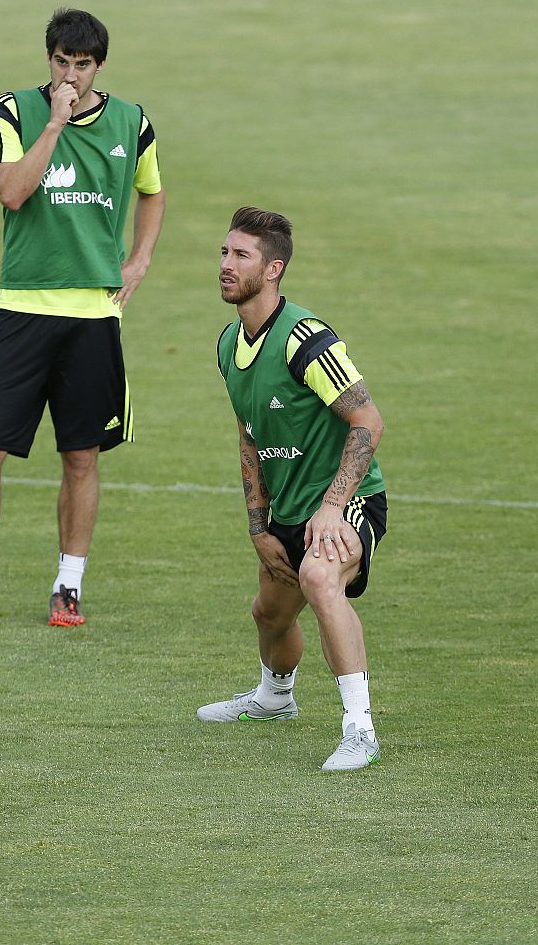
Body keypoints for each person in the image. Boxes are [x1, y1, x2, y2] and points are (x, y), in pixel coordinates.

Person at [0, 7, 164, 631]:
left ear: (100, 66)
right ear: (48, 59)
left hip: (93, 317)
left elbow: (151, 191)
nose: (70, 75)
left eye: (83, 65)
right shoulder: (14, 111)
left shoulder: (133, 122)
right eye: (61, 62)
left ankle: (68, 587)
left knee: (82, 457)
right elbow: (12, 191)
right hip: (22, 309)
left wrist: (140, 259)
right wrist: (54, 124)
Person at [195, 207, 389, 773]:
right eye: (225, 252)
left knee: (320, 578)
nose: (226, 264)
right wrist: (259, 525)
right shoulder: (228, 344)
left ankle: (360, 731)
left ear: (273, 269)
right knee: (269, 614)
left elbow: (368, 421)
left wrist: (332, 509)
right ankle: (275, 697)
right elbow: (248, 434)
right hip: (289, 507)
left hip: (345, 500)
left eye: (241, 255)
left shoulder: (306, 340)